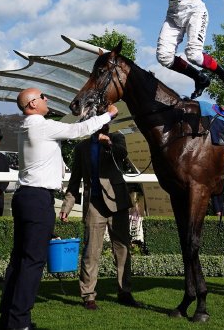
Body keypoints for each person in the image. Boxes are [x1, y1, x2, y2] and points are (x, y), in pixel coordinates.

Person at [0, 88, 118, 330]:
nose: (46, 99)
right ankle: (20, 322)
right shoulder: (41, 125)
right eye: (42, 96)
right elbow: (78, 130)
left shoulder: (29, 126)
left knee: (19, 261)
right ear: (32, 104)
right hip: (37, 199)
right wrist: (109, 115)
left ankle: (8, 318)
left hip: (25, 198)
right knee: (33, 261)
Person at [60, 124, 142, 310]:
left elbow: (121, 155)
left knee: (122, 250)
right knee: (91, 251)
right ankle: (88, 296)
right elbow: (75, 179)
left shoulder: (117, 138)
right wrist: (67, 206)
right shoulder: (82, 147)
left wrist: (109, 144)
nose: (102, 124)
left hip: (117, 202)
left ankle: (125, 292)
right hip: (94, 205)